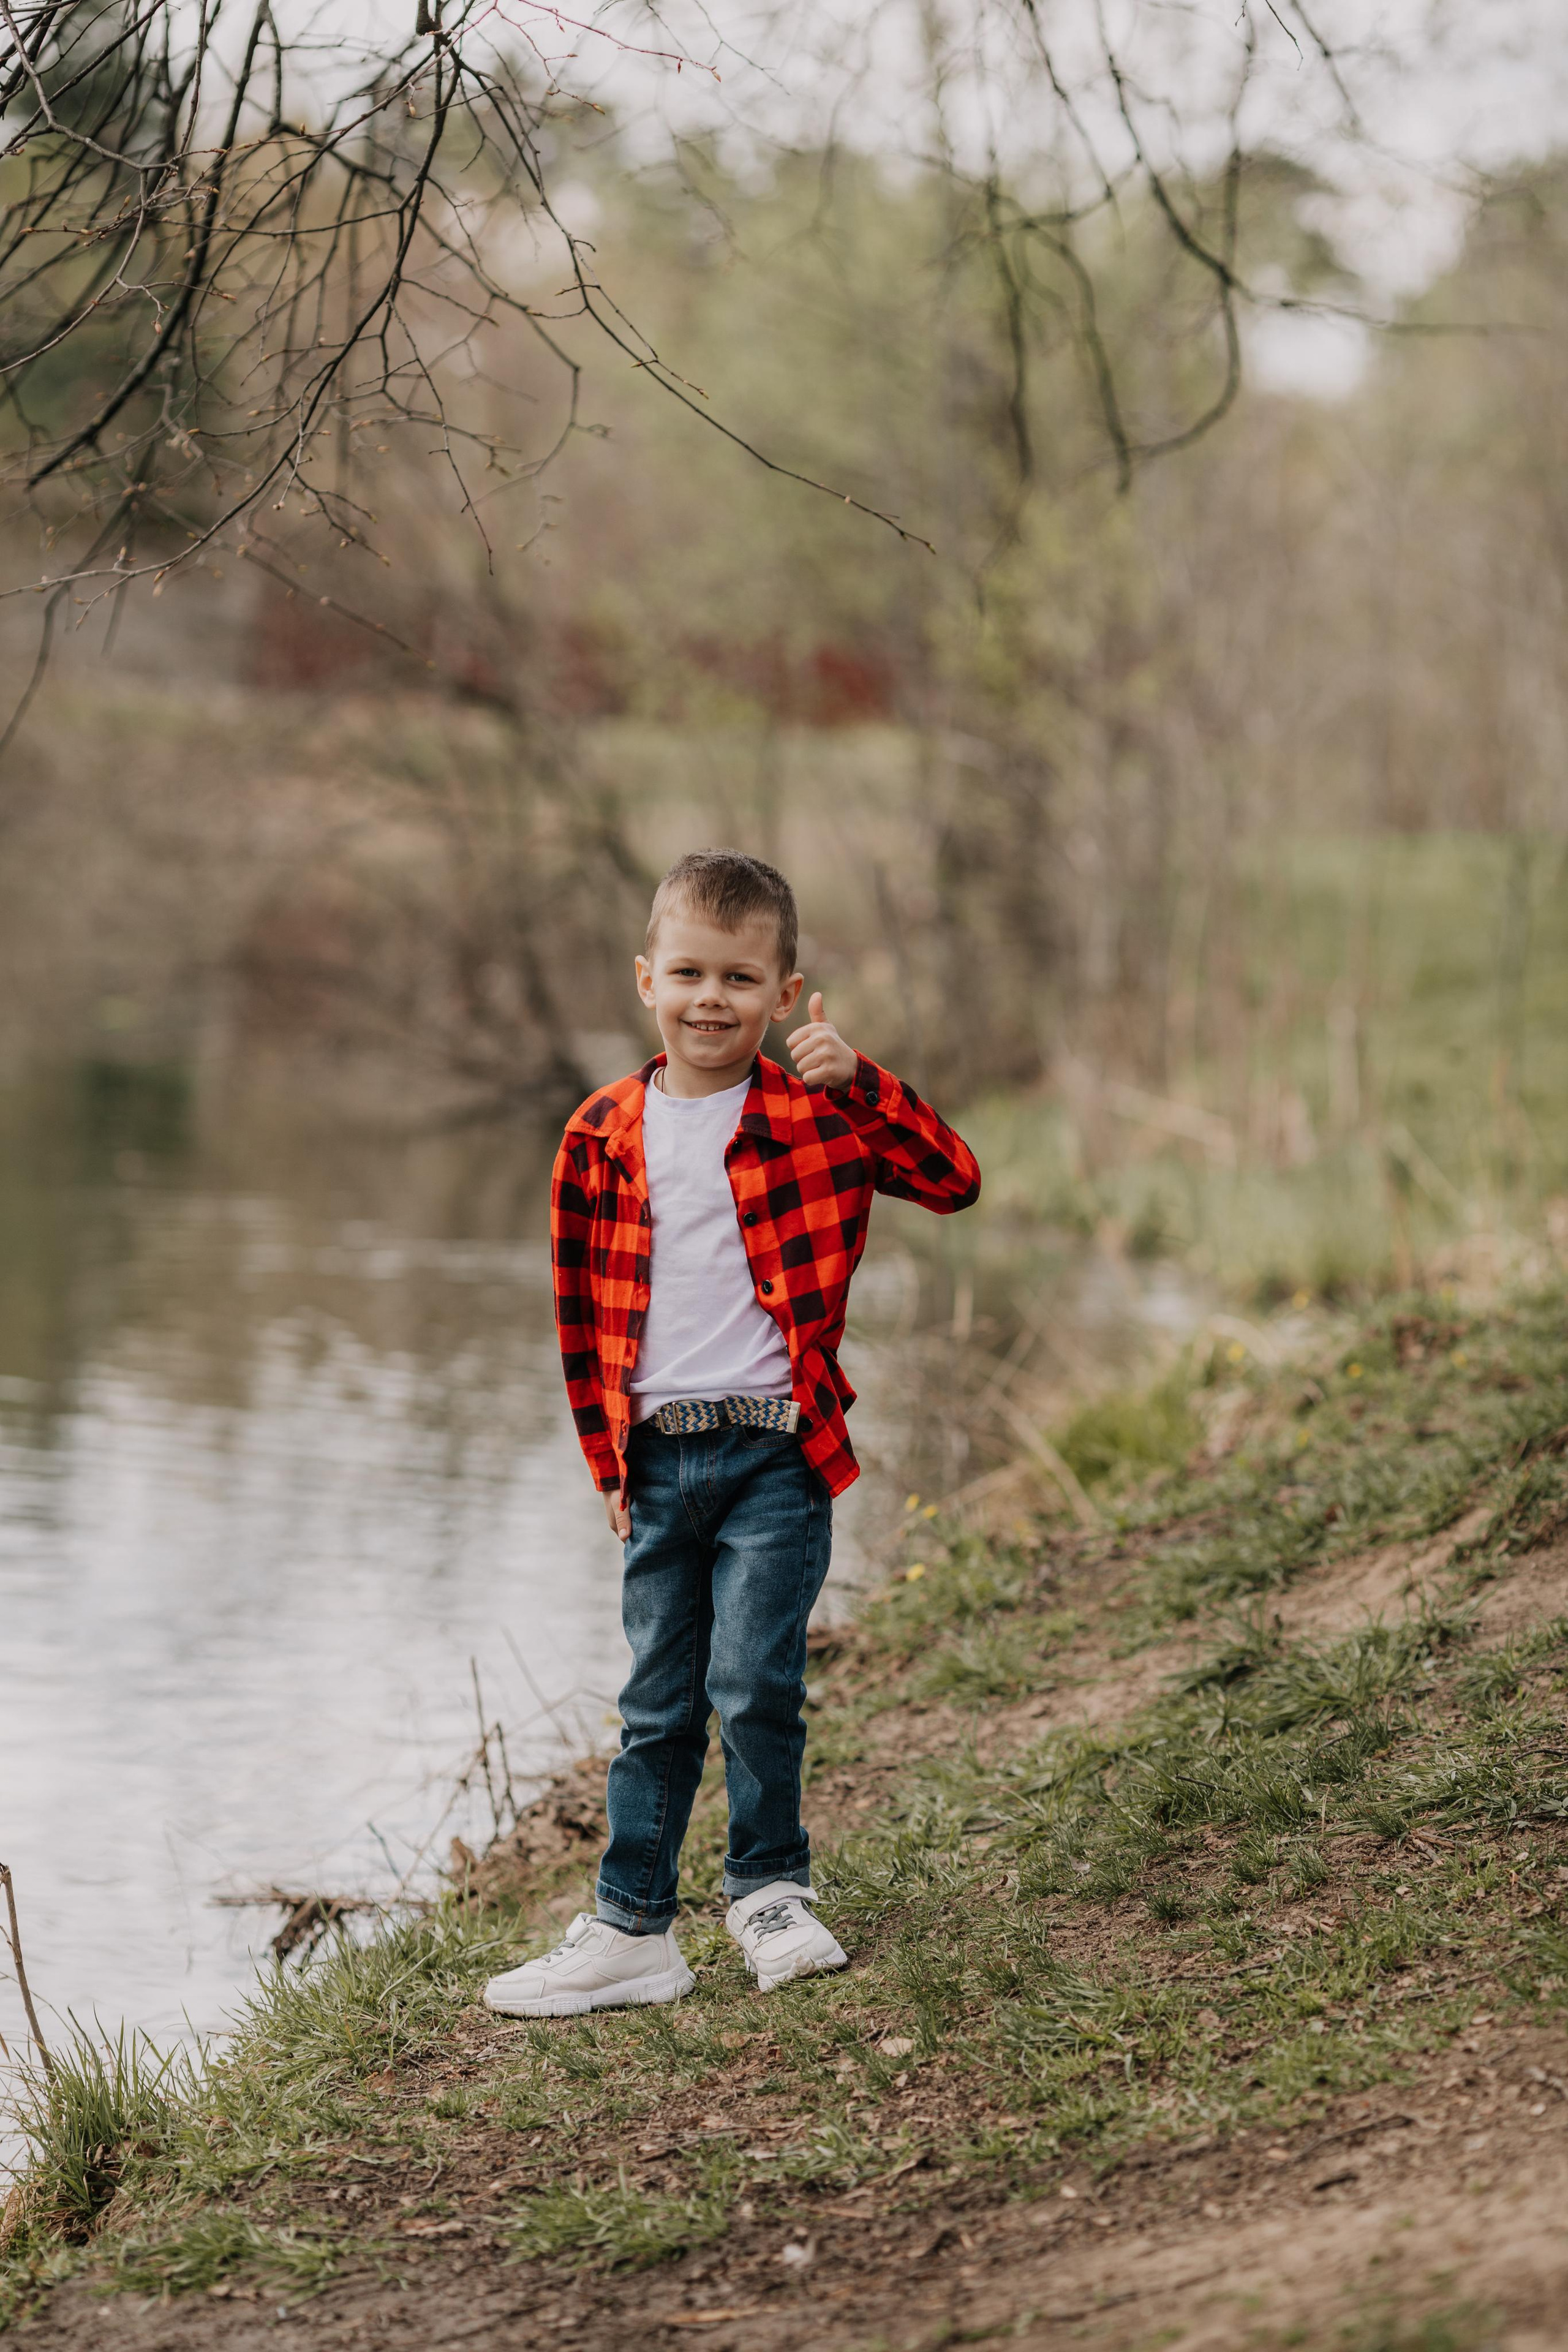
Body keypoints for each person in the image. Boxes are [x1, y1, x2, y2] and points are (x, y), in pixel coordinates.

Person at [483, 850, 981, 2018]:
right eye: (692, 973)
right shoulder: (601, 1135)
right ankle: (632, 1929)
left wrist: (866, 1084)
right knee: (658, 1700)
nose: (714, 999)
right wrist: (608, 1463)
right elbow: (578, 1315)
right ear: (647, 977)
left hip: (773, 1455)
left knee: (756, 1683)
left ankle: (766, 1892)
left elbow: (953, 1181)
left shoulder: (818, 1117)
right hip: (656, 1461)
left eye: (742, 979)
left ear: (785, 990)